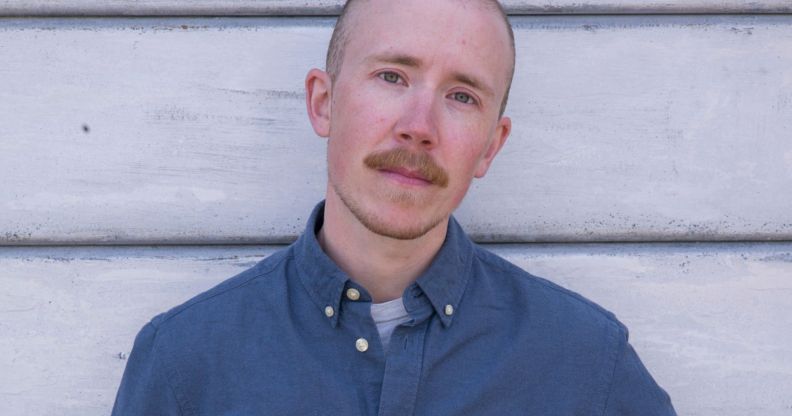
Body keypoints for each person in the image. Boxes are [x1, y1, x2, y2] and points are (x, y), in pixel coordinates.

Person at [112, 0, 677, 414]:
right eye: (391, 76)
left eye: (461, 96)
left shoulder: (585, 364)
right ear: (323, 102)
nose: (418, 128)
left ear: (489, 146)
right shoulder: (187, 362)